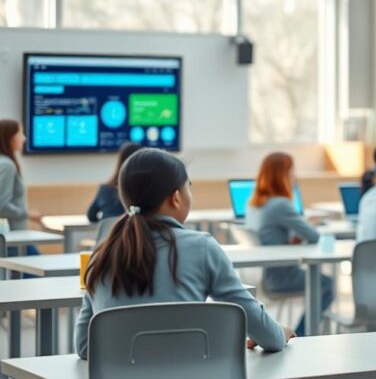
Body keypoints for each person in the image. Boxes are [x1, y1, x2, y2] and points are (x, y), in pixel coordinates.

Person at [76, 148, 291, 359]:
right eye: (189, 186)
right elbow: (269, 337)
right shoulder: (202, 248)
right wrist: (281, 333)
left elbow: (84, 347)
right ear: (176, 197)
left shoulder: (101, 256)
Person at [246, 152, 333, 336]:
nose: (295, 176)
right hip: (282, 278)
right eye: (293, 171)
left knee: (323, 282)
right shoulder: (280, 204)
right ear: (283, 175)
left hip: (265, 276)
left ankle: (301, 332)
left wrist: (294, 239)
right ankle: (301, 334)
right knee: (326, 284)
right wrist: (308, 225)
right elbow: (314, 236)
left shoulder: (254, 204)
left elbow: (272, 238)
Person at [0, 120, 43, 256]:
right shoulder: (7, 165)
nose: (24, 138)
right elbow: (2, 205)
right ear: (10, 137)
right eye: (20, 134)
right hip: (12, 237)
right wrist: (26, 213)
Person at [86, 143, 142, 223]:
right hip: (131, 230)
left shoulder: (105, 189)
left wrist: (105, 224)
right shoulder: (140, 191)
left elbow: (91, 216)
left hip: (107, 231)